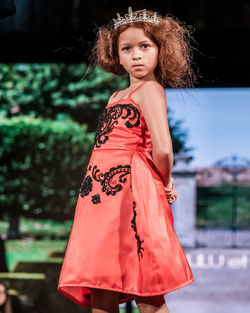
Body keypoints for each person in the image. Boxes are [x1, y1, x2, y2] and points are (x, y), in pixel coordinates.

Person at [57, 7, 197, 313]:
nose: (136, 55)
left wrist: (164, 179)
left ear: (161, 51)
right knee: (101, 280)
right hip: (100, 193)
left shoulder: (150, 89)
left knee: (142, 282)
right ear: (116, 56)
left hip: (130, 188)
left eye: (145, 46)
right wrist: (165, 178)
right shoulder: (116, 97)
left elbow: (163, 149)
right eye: (127, 48)